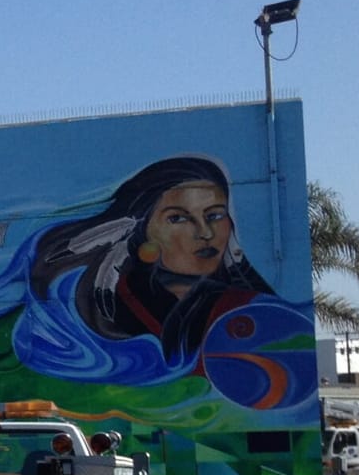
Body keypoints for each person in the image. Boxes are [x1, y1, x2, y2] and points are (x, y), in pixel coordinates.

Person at [30, 156, 272, 366]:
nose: (206, 233)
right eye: (178, 218)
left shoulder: (255, 307)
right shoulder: (113, 313)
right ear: (142, 230)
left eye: (215, 215)